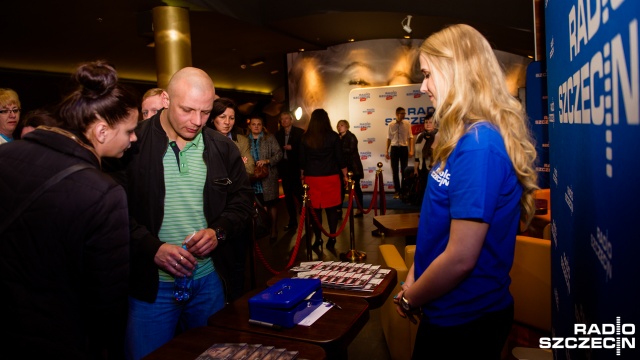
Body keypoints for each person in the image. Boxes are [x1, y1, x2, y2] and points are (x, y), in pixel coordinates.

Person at [393, 24, 539, 359]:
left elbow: (460, 258)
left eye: (429, 74)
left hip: (466, 318)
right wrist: (412, 280)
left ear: (457, 71)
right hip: (447, 309)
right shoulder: (463, 137)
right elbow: (439, 229)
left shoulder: (478, 145)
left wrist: (411, 298)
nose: (423, 86)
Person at [0, 60, 138, 359]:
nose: (134, 138)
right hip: (59, 337)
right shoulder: (104, 193)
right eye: (129, 131)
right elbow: (107, 302)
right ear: (102, 132)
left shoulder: (7, 153)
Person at [120, 67, 254, 359]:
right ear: (166, 99)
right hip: (150, 289)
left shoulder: (222, 148)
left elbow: (242, 202)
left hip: (208, 283)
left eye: (205, 112)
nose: (197, 121)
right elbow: (113, 213)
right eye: (187, 110)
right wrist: (151, 247)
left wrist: (218, 231)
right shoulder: (132, 144)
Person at [207, 97, 254, 301]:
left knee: (237, 263)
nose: (227, 122)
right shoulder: (202, 141)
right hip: (213, 211)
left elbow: (249, 169)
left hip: (237, 208)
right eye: (222, 117)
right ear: (212, 118)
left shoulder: (241, 140)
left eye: (232, 117)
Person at [299, 108, 348, 250]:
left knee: (315, 211)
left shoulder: (305, 137)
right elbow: (340, 159)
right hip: (330, 177)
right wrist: (345, 175)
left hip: (312, 178)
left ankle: (318, 239)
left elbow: (302, 161)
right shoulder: (333, 136)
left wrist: (302, 177)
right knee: (332, 210)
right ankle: (332, 237)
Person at [247, 115, 283, 242]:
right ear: (250, 126)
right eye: (253, 124)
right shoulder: (245, 140)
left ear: (262, 126)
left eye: (259, 124)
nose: (256, 126)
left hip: (269, 177)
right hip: (253, 179)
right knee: (259, 205)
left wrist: (267, 160)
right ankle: (262, 228)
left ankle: (273, 229)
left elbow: (279, 154)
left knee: (271, 204)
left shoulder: (269, 138)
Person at [275, 110, 304, 231]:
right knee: (287, 198)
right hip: (284, 169)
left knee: (300, 195)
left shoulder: (299, 132)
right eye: (282, 119)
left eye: (286, 118)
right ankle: (292, 221)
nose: (284, 121)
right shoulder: (277, 134)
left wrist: (293, 147)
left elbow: (304, 149)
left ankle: (307, 219)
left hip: (296, 168)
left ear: (291, 120)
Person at [337, 119, 364, 217]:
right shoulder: (338, 138)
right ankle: (339, 210)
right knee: (341, 189)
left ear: (347, 126)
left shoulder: (351, 137)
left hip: (353, 167)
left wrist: (339, 148)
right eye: (338, 126)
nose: (340, 127)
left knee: (356, 189)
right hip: (343, 167)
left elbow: (351, 150)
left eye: (342, 125)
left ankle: (360, 209)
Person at [385, 106, 414, 198]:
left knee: (404, 170)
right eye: (402, 113)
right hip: (394, 149)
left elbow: (410, 137)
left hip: (403, 148)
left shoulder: (407, 124)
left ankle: (404, 190)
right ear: (397, 114)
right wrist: (386, 151)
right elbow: (389, 138)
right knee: (395, 170)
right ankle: (397, 190)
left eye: (404, 113)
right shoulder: (391, 125)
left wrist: (411, 150)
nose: (404, 115)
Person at [412, 107, 437, 201]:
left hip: (434, 169)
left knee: (432, 191)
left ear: (435, 123)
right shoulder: (420, 136)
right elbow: (417, 155)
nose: (428, 124)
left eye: (430, 122)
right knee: (422, 190)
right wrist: (415, 169)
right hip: (422, 168)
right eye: (426, 122)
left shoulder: (439, 135)